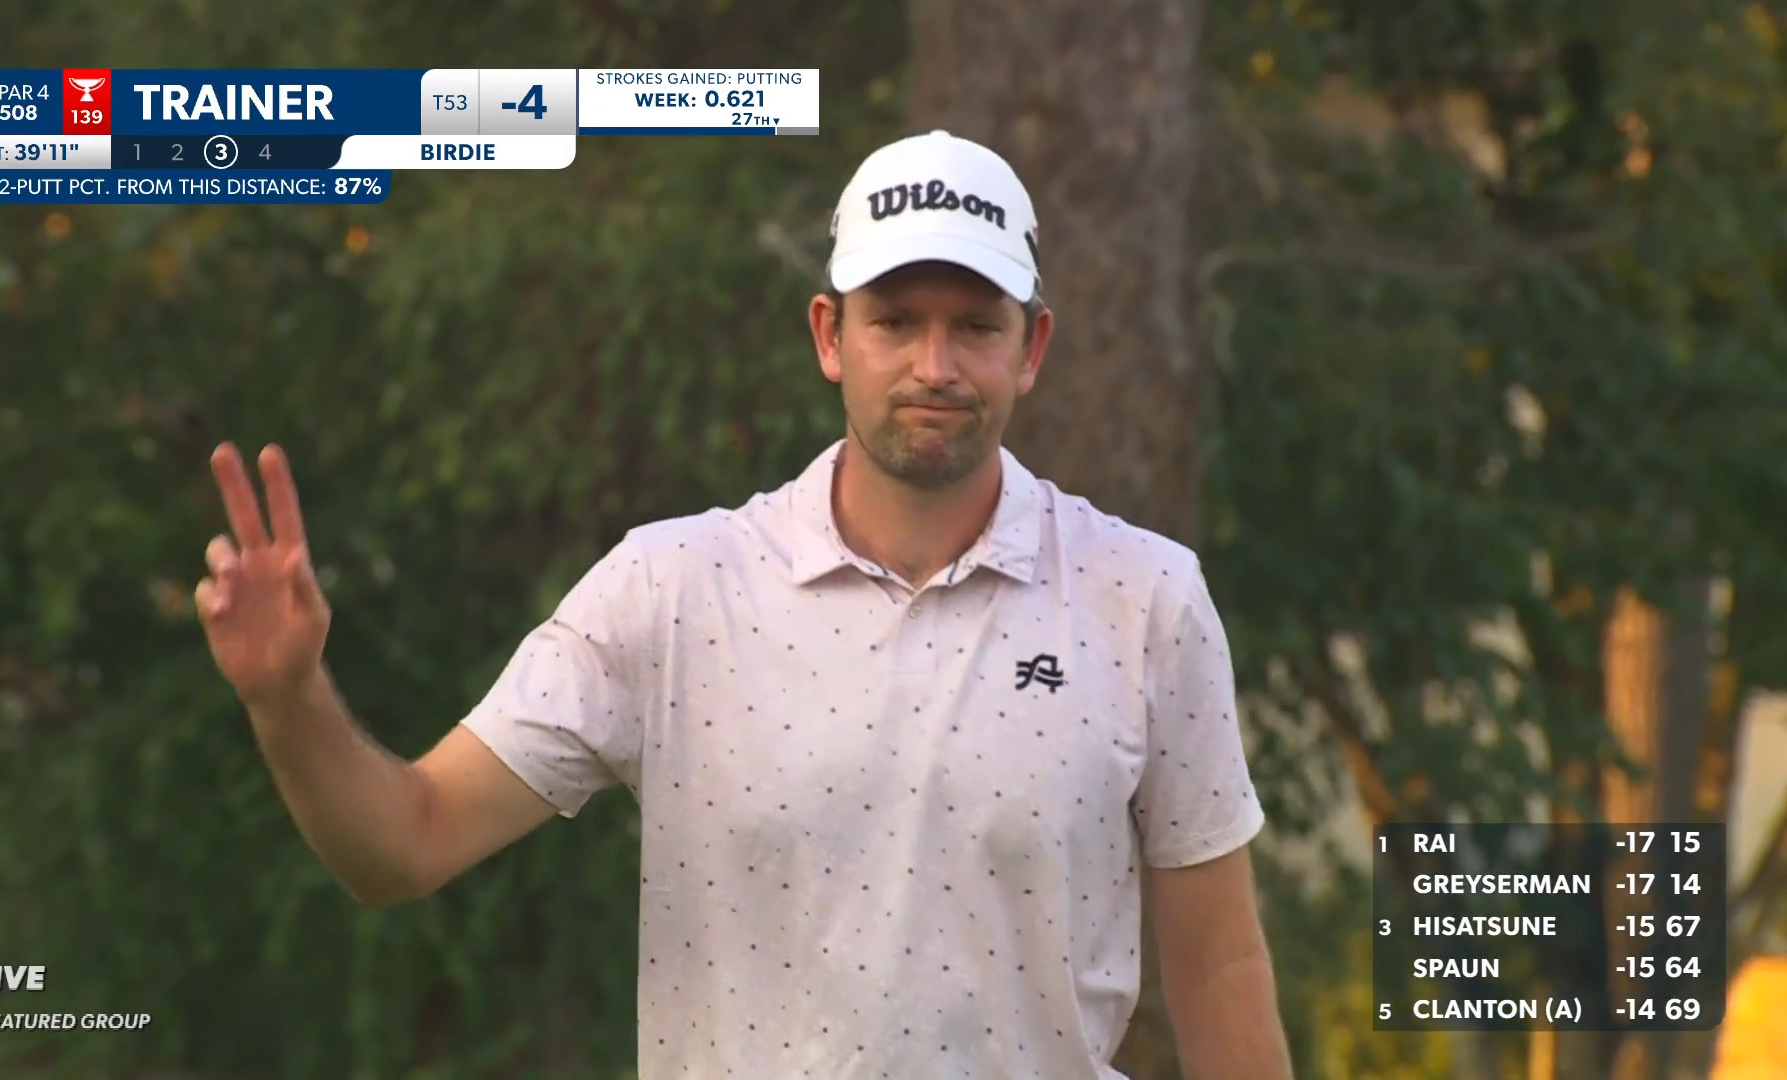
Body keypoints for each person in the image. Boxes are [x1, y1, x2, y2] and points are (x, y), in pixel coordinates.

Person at [195, 130, 1292, 1079]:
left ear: (1032, 347)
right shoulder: (670, 589)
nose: (935, 365)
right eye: (895, 321)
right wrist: (288, 701)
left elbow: (1219, 965)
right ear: (829, 336)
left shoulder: (1143, 597)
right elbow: (405, 844)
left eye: (975, 326)